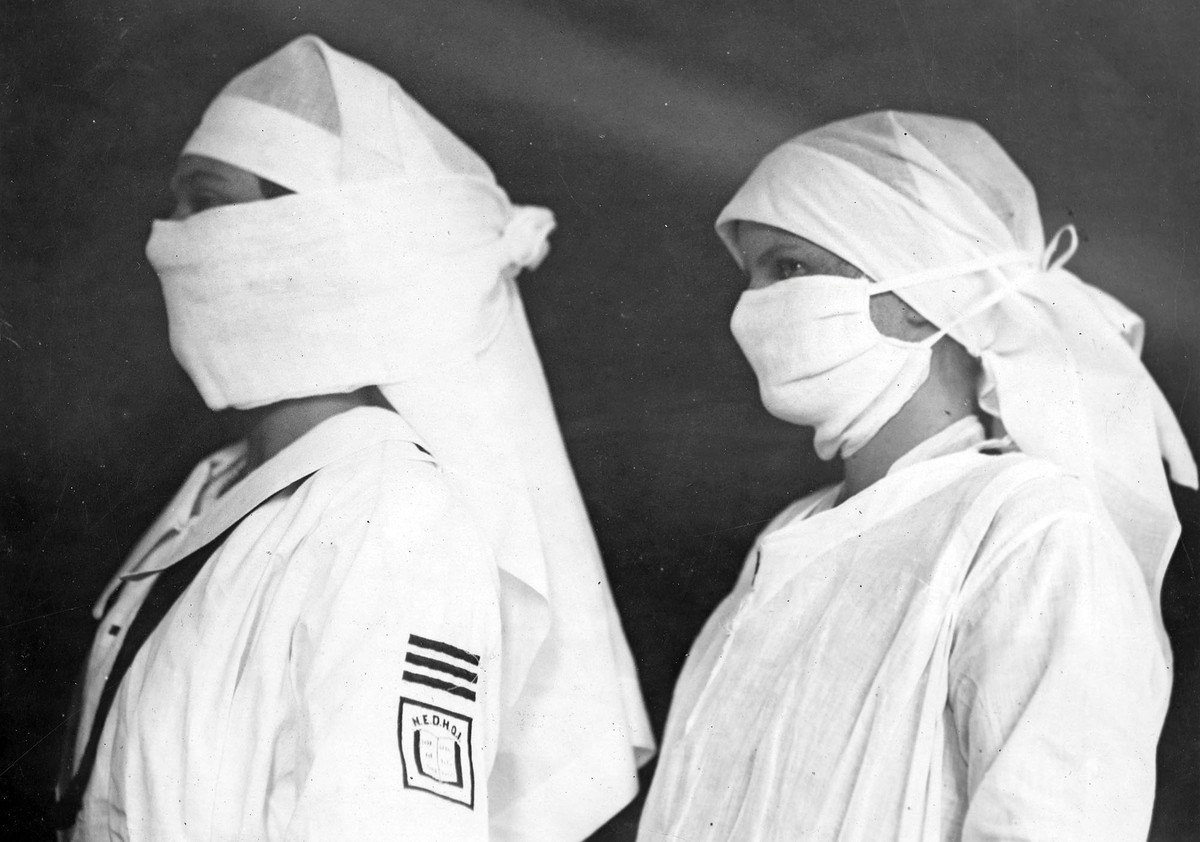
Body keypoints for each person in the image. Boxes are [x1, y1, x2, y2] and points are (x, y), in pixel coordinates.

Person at [57, 34, 653, 841]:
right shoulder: (217, 484)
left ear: (322, 238)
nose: (169, 236)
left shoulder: (393, 516)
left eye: (207, 201)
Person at [638, 111, 1197, 841]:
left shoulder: (1029, 531)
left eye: (791, 268)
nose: (752, 311)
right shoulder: (789, 539)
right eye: (754, 277)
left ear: (920, 294)